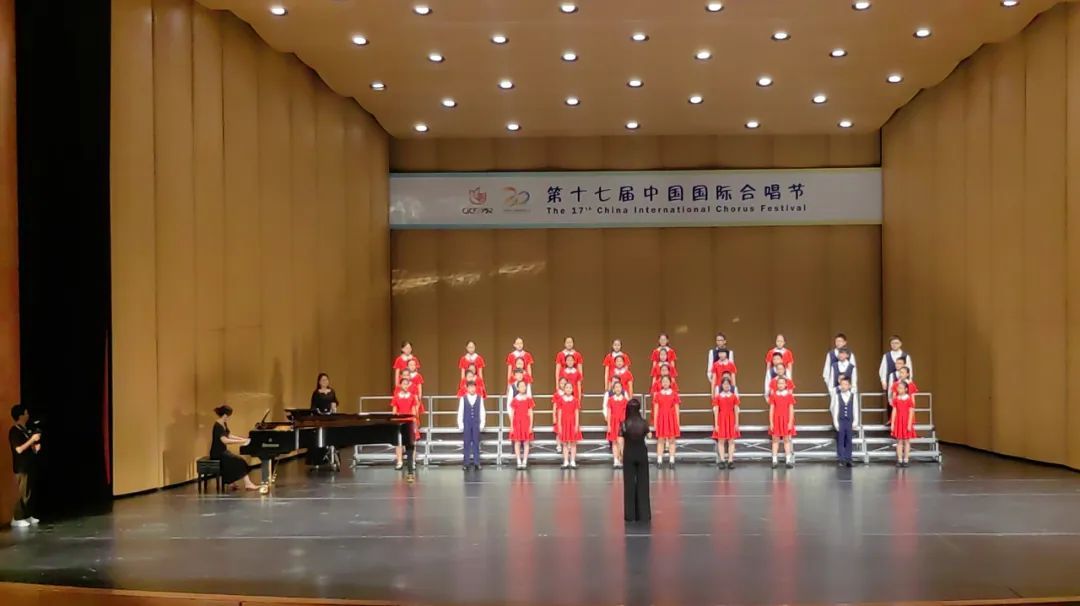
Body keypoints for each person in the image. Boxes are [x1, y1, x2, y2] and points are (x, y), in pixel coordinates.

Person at [209, 405, 259, 491]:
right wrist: (241, 442)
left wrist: (242, 439)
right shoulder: (218, 426)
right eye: (229, 416)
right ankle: (248, 484)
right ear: (225, 415)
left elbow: (228, 435)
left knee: (235, 460)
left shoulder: (223, 423)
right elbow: (225, 440)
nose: (229, 418)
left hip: (223, 451)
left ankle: (231, 482)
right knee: (239, 461)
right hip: (217, 453)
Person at [619, 399, 651, 523]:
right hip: (641, 453)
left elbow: (620, 440)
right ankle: (644, 514)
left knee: (629, 484)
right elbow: (649, 435)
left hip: (629, 453)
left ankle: (630, 515)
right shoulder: (644, 422)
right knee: (643, 483)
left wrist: (621, 453)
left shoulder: (624, 423)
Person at [9, 404, 41, 527]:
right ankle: (17, 518)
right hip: (21, 467)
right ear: (21, 415)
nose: (28, 415)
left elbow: (27, 447)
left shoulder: (25, 430)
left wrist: (35, 448)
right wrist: (32, 440)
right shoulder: (14, 431)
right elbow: (19, 449)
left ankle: (27, 515)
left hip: (29, 465)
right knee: (23, 493)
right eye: (26, 413)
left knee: (29, 492)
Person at [830, 375, 860, 468]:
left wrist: (855, 421)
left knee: (849, 440)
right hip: (841, 421)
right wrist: (836, 422)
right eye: (842, 384)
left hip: (849, 421)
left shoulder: (853, 396)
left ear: (849, 386)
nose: (844, 386)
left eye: (846, 384)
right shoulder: (837, 396)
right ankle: (841, 459)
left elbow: (855, 409)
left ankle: (848, 459)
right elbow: (835, 410)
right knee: (840, 440)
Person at [391, 377, 420, 470]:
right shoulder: (396, 397)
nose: (405, 386)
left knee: (411, 442)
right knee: (399, 442)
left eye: (407, 384)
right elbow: (394, 411)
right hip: (400, 421)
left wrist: (415, 422)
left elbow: (414, 410)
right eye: (404, 384)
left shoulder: (412, 396)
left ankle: (412, 462)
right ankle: (399, 461)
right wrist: (394, 422)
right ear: (400, 385)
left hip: (410, 420)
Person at [651, 375, 680, 468]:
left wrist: (677, 422)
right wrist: (655, 422)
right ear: (661, 383)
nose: (665, 383)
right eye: (663, 381)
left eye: (667, 381)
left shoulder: (674, 394)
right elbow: (656, 409)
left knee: (672, 440)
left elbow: (677, 409)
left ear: (670, 383)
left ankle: (672, 460)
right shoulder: (658, 395)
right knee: (660, 440)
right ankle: (659, 460)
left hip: (671, 418)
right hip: (661, 418)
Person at [712, 377, 741, 469]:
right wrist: (716, 424)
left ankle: (730, 460)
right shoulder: (718, 397)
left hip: (731, 418)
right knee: (721, 440)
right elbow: (716, 411)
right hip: (721, 419)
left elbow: (736, 410)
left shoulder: (733, 396)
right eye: (724, 384)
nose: (726, 386)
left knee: (731, 440)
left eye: (728, 384)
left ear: (730, 385)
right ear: (722, 385)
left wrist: (736, 423)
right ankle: (722, 460)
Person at [768, 377, 797, 469]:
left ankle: (788, 460)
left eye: (782, 383)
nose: (780, 385)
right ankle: (774, 460)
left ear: (785, 385)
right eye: (779, 383)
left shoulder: (789, 396)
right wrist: (771, 422)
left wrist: (790, 422)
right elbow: (771, 410)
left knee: (786, 440)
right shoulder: (773, 395)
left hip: (786, 420)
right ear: (776, 385)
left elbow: (791, 410)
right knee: (775, 440)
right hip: (776, 420)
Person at [457, 381, 485, 471]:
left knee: (476, 442)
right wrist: (460, 424)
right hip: (467, 422)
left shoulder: (480, 398)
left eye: (473, 387)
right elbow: (460, 412)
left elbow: (482, 411)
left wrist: (482, 423)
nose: (472, 389)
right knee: (466, 443)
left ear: (476, 388)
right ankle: (466, 463)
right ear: (467, 388)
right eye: (470, 387)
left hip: (476, 422)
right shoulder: (463, 398)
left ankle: (477, 462)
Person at [603, 379, 630, 468]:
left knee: (621, 442)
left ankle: (622, 459)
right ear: (613, 389)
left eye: (619, 387)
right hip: (613, 422)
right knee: (614, 442)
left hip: (622, 422)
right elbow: (609, 412)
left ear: (622, 389)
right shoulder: (610, 400)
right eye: (616, 387)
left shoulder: (625, 400)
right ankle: (615, 460)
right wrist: (609, 425)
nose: (618, 389)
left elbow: (627, 413)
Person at [508, 380, 534, 469]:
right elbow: (512, 413)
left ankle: (525, 461)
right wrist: (511, 425)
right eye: (521, 386)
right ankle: (518, 461)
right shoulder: (515, 400)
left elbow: (531, 412)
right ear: (518, 388)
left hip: (526, 422)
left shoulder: (528, 399)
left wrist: (531, 425)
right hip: (517, 422)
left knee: (526, 442)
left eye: (524, 386)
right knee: (517, 442)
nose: (523, 388)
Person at [890, 381, 917, 467]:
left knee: (907, 441)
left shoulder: (909, 399)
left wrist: (909, 424)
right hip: (898, 421)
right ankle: (899, 459)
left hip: (906, 421)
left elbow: (911, 412)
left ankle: (906, 459)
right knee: (899, 441)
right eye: (898, 388)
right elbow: (894, 411)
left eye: (901, 388)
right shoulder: (896, 399)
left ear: (906, 389)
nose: (899, 389)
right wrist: (892, 423)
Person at [556, 381, 582, 468]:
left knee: (573, 443)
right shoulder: (560, 400)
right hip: (564, 422)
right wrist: (559, 424)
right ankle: (566, 461)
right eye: (567, 387)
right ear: (564, 389)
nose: (568, 389)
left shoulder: (575, 400)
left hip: (572, 422)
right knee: (565, 443)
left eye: (570, 388)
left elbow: (576, 413)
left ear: (572, 389)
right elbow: (559, 413)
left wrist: (576, 425)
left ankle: (573, 461)